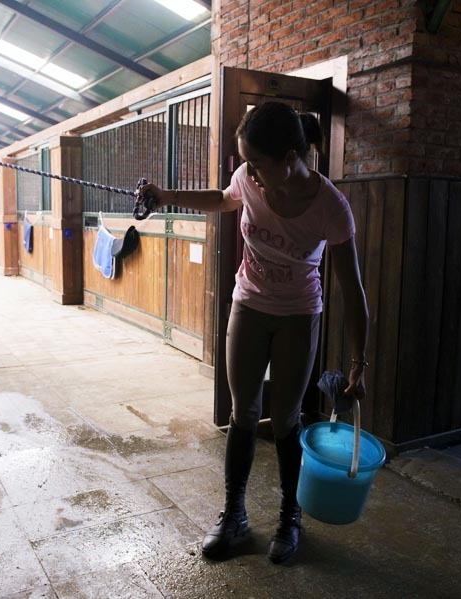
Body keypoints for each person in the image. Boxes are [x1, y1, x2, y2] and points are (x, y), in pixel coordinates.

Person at [139, 101, 369, 563]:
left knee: (284, 418)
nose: (249, 172)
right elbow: (223, 199)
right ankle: (234, 517)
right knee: (244, 412)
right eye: (246, 162)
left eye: (257, 163)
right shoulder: (250, 178)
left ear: (290, 158)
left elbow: (353, 290)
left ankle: (290, 517)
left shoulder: (330, 208)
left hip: (298, 314)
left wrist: (358, 364)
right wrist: (165, 196)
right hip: (249, 303)